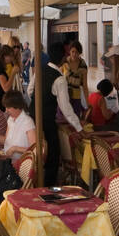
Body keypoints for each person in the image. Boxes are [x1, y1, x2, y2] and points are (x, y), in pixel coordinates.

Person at [41, 42, 83, 186]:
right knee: (53, 156)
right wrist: (79, 128)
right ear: (63, 59)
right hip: (47, 122)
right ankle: (49, 188)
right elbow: (66, 108)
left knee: (39, 157)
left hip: (35, 119)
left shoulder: (39, 71)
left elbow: (30, 91)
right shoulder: (59, 79)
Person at [0, 90, 36, 160]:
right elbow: (6, 141)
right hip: (8, 160)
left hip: (21, 164)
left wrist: (15, 149)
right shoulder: (10, 120)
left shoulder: (28, 122)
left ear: (17, 106)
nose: (6, 110)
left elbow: (34, 149)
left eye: (8, 107)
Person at [62, 40, 87, 117]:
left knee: (75, 120)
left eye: (77, 52)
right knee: (64, 121)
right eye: (72, 51)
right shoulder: (64, 62)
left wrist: (88, 103)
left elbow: (85, 85)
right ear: (69, 51)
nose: (74, 54)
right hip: (65, 97)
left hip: (76, 97)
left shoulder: (83, 65)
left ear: (80, 53)